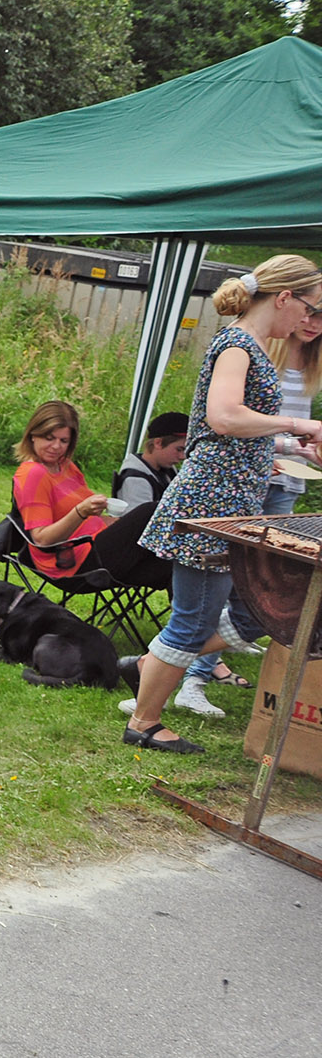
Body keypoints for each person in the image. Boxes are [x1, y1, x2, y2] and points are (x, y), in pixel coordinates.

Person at [123, 255, 322, 754]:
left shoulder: (251, 345)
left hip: (229, 502)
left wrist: (288, 446)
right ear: (284, 297)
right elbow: (224, 417)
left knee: (229, 615)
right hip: (210, 503)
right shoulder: (237, 345)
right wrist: (298, 425)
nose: (310, 319)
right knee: (194, 621)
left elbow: (235, 433)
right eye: (309, 307)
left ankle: (148, 670)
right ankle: (144, 721)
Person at [10, 401, 169, 589]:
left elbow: (88, 518)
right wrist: (80, 512)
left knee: (175, 565)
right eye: (49, 438)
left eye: (64, 441)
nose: (56, 447)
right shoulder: (33, 474)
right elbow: (42, 539)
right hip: (73, 563)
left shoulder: (65, 465)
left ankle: (188, 610)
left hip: (97, 547)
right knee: (150, 510)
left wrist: (112, 522)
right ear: (33, 435)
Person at [112, 410, 189, 510]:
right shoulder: (136, 480)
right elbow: (138, 518)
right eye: (179, 449)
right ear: (158, 443)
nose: (183, 456)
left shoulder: (168, 471)